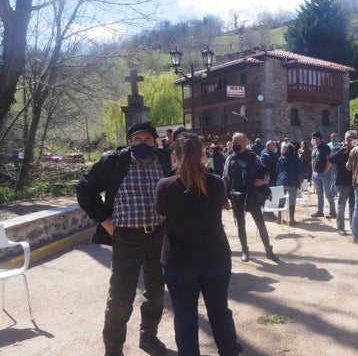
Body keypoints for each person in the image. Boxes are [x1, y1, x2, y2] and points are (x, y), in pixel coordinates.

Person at [76, 122, 171, 356]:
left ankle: (148, 337)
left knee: (157, 293)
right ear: (130, 143)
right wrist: (105, 221)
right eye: (137, 140)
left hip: (159, 235)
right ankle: (114, 349)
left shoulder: (165, 160)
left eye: (147, 140)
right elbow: (85, 189)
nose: (142, 144)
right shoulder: (114, 162)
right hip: (127, 239)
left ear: (155, 141)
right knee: (121, 296)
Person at [155, 132, 242, 356]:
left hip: (179, 261)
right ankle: (229, 350)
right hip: (215, 258)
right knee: (220, 312)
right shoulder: (216, 183)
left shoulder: (165, 186)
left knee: (185, 318)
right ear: (204, 154)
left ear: (174, 156)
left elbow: (161, 211)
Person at [223, 132, 279, 262]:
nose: (235, 144)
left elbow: (266, 173)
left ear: (245, 143)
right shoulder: (230, 159)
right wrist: (225, 197)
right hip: (236, 196)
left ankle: (268, 250)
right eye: (233, 142)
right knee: (241, 225)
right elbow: (225, 178)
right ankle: (245, 250)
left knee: (260, 223)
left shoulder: (254, 157)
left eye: (238, 142)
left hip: (252, 195)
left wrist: (263, 182)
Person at [330, 130, 357, 236]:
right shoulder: (339, 148)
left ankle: (354, 226)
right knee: (342, 206)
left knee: (353, 206)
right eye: (351, 137)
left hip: (354, 181)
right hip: (342, 182)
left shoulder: (357, 149)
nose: (354, 139)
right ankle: (340, 227)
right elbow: (331, 159)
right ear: (346, 139)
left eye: (355, 137)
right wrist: (342, 150)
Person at [276, 142, 304, 226]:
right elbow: (299, 171)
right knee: (292, 201)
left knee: (281, 200)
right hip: (292, 181)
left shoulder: (280, 158)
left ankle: (279, 218)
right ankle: (291, 220)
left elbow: (277, 170)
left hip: (281, 181)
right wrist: (301, 180)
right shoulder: (296, 158)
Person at [310, 131, 336, 218]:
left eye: (314, 138)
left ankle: (333, 212)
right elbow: (313, 160)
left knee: (328, 194)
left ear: (318, 138)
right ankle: (320, 211)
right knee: (319, 194)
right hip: (316, 174)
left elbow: (329, 160)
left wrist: (325, 171)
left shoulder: (325, 148)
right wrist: (313, 171)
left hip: (325, 174)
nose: (312, 140)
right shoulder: (314, 148)